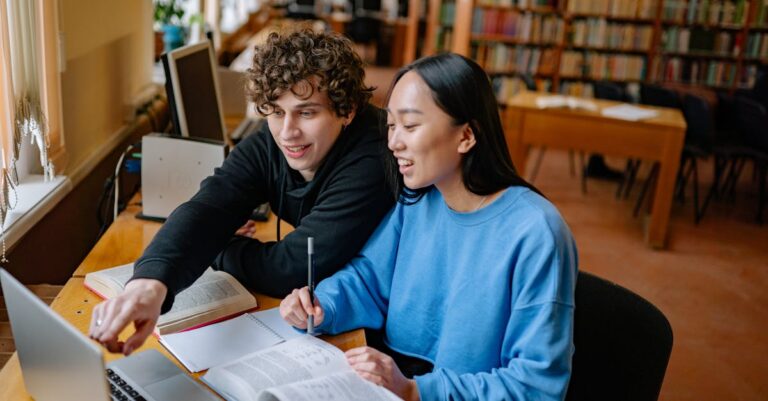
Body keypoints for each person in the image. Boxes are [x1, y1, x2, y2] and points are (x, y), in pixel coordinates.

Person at [280, 53, 578, 401]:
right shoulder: (418, 199)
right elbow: (368, 279)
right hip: (396, 384)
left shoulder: (536, 232)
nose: (393, 142)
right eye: (391, 125)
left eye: (409, 126)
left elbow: (535, 387)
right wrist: (322, 305)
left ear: (466, 136)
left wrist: (415, 390)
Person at [88, 27, 394, 355]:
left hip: (380, 337)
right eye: (276, 111)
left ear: (347, 110)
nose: (287, 132)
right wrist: (149, 284)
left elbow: (290, 269)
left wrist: (221, 245)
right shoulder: (272, 140)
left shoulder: (375, 154)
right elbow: (210, 206)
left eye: (306, 112)